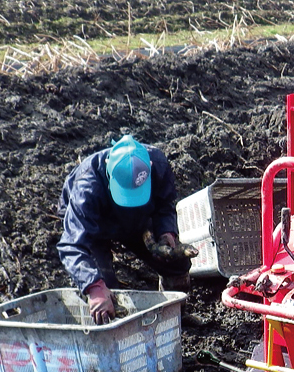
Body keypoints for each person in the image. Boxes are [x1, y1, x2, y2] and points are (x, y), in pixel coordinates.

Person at [58, 134, 193, 325]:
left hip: (140, 217)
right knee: (107, 294)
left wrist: (166, 233)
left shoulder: (159, 164)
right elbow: (71, 244)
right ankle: (116, 334)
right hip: (95, 224)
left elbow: (164, 205)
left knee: (175, 262)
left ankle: (176, 318)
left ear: (150, 168)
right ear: (109, 171)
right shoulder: (86, 188)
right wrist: (94, 286)